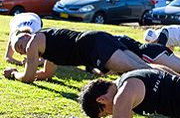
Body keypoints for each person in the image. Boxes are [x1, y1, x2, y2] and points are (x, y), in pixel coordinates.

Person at [3, 28, 154, 83]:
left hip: (94, 46)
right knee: (144, 67)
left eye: (19, 44)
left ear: (25, 34)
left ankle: (174, 85)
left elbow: (28, 78)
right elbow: (46, 74)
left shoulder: (33, 43)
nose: (22, 49)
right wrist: (30, 71)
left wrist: (15, 73)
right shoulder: (47, 45)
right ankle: (176, 80)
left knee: (138, 69)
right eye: (19, 50)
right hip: (97, 38)